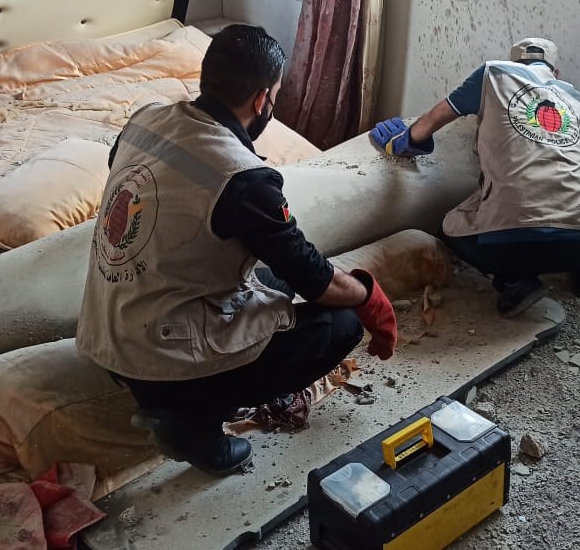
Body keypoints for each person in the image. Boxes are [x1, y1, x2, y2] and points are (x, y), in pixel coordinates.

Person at [76, 25, 398, 475]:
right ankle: (194, 423)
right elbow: (314, 278)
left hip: (105, 327)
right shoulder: (243, 178)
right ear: (262, 99)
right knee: (341, 324)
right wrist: (368, 296)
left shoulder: (145, 120)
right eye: (277, 96)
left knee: (275, 281)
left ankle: (185, 398)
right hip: (160, 363)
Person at [371, 38, 580, 316]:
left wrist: (405, 141)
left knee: (449, 228)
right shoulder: (577, 100)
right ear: (555, 73)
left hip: (511, 247)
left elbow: (433, 120)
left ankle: (514, 281)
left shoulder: (493, 73)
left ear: (514, 62)